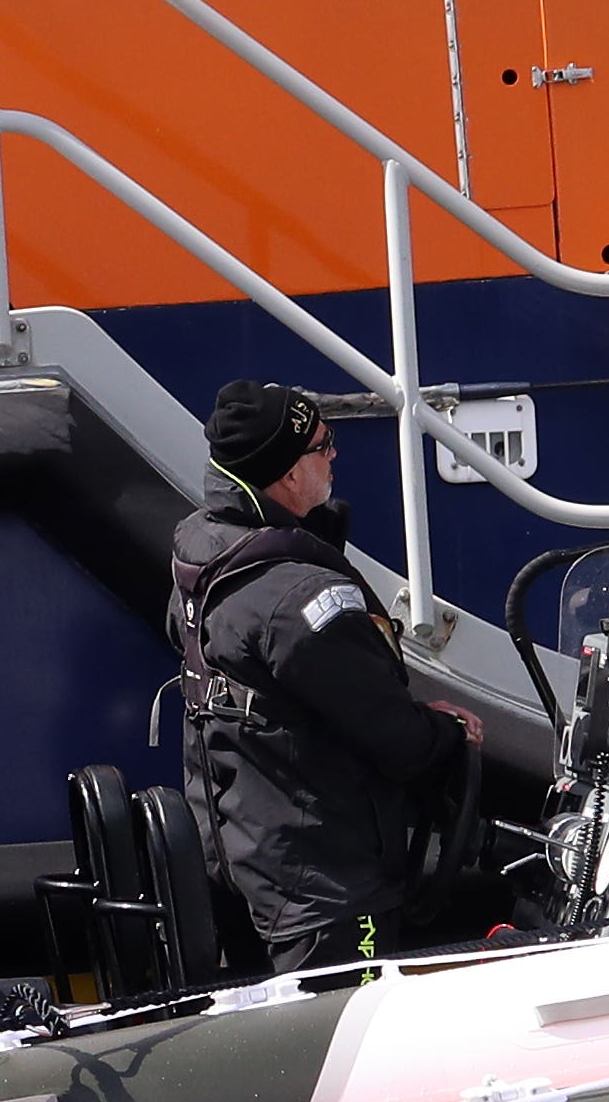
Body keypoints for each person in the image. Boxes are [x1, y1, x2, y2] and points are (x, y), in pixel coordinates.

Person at [168, 379, 475, 971]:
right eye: (323, 443)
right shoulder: (302, 599)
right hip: (326, 890)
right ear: (285, 475)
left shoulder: (200, 550)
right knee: (349, 1045)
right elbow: (399, 740)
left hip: (243, 857)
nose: (335, 454)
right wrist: (453, 735)